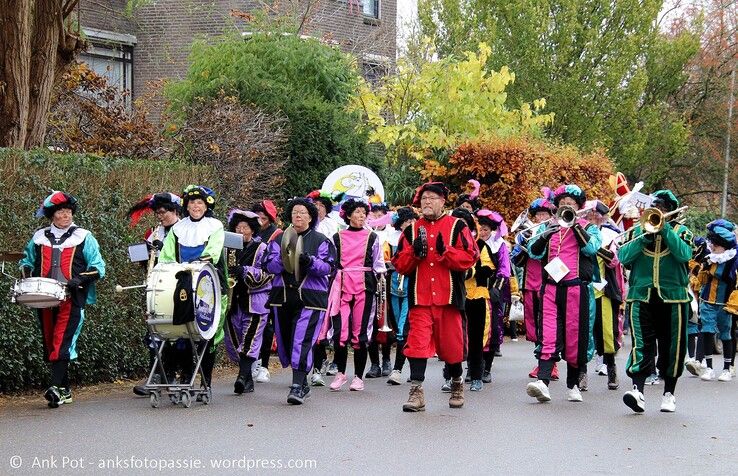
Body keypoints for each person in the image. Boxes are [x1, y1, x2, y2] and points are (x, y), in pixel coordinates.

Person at [392, 182, 478, 412]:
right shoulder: (410, 231)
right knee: (417, 345)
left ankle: (457, 382)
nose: (427, 202)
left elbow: (470, 257)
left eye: (432, 198)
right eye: (424, 199)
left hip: (449, 299)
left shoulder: (457, 226)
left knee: (452, 347)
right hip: (420, 299)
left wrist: (446, 252)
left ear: (443, 202)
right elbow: (399, 264)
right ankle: (416, 391)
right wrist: (414, 254)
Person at [20, 191, 106, 408]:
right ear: (52, 215)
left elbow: (98, 267)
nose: (66, 216)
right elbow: (26, 261)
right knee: (50, 342)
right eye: (61, 212)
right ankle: (65, 390)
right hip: (43, 298)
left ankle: (54, 386)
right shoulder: (39, 237)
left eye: (68, 212)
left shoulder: (84, 237)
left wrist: (78, 279)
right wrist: (27, 271)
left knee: (62, 342)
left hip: (71, 298)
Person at [618, 190, 692, 413]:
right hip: (641, 297)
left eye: (663, 208)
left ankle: (669, 393)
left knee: (673, 347)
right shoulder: (639, 231)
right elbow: (623, 257)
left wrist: (665, 229)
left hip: (674, 299)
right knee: (642, 345)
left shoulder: (682, 231)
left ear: (671, 211)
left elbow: (684, 255)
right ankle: (637, 391)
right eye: (655, 207)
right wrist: (644, 238)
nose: (659, 211)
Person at [526, 184, 601, 403]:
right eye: (562, 204)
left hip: (577, 289)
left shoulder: (589, 227)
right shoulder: (547, 227)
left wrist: (575, 226)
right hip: (550, 287)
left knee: (575, 337)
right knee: (548, 333)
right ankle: (543, 382)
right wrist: (545, 234)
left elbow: (591, 249)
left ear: (579, 207)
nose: (566, 207)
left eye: (571, 204)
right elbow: (533, 252)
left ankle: (573, 385)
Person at [263, 198, 335, 404]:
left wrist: (309, 261)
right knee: (286, 341)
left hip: (310, 299)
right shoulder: (279, 240)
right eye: (295, 212)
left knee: (301, 340)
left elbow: (328, 268)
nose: (298, 216)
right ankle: (302, 381)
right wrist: (286, 258)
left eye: (303, 212)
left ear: (311, 217)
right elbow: (268, 265)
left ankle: (297, 386)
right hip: (283, 297)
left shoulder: (321, 240)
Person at [158, 185, 227, 396]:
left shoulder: (215, 226)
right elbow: (167, 255)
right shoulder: (178, 229)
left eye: (200, 203)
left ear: (206, 206)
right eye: (192, 203)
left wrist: (196, 265)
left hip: (210, 284)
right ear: (186, 206)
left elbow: (212, 253)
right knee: (182, 330)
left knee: (207, 334)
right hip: (184, 284)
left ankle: (206, 382)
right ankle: (185, 377)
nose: (196, 206)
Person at [319, 198, 386, 391]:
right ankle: (340, 373)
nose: (361, 216)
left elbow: (378, 265)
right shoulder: (336, 237)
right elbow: (331, 262)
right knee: (340, 333)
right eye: (357, 212)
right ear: (348, 215)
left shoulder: (373, 237)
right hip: (341, 286)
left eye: (364, 213)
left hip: (365, 287)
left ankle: (358, 377)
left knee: (361, 334)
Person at [126, 192, 182, 396]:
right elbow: (148, 260)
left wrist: (164, 249)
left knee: (174, 331)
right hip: (155, 286)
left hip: (176, 286)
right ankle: (155, 374)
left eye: (163, 212)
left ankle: (171, 373)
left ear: (174, 211)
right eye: (157, 213)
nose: (160, 216)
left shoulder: (183, 230)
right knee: (153, 329)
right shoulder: (155, 232)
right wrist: (142, 253)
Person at [511, 194, 560, 381]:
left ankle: (551, 364)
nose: (540, 218)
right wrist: (523, 244)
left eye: (544, 214)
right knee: (534, 326)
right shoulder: (529, 232)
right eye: (538, 215)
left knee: (548, 325)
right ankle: (541, 361)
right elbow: (516, 260)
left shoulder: (555, 230)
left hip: (548, 283)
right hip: (530, 285)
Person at [224, 209, 273, 395]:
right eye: (238, 227)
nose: (241, 230)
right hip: (233, 302)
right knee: (233, 339)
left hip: (255, 301)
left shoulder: (262, 249)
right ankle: (248, 377)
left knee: (250, 340)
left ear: (252, 230)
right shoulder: (227, 249)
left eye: (245, 227)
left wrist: (244, 271)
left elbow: (268, 274)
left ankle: (242, 377)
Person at [686, 219, 737, 382]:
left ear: (724, 245)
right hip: (707, 300)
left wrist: (734, 304)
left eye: (716, 244)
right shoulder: (709, 258)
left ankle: (727, 368)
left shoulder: (733, 260)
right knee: (707, 332)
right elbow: (700, 279)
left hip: (725, 303)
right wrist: (700, 269)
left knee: (726, 335)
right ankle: (708, 368)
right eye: (712, 243)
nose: (713, 246)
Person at [587, 200, 625, 390]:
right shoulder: (578, 230)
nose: (593, 217)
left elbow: (614, 262)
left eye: (596, 214)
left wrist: (596, 248)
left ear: (603, 217)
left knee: (607, 333)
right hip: (583, 289)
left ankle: (611, 368)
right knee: (583, 333)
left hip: (604, 290)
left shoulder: (611, 234)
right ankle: (580, 373)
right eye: (590, 213)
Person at [385, 207, 418, 385]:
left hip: (411, 287)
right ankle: (410, 369)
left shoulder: (417, 238)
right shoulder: (390, 238)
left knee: (404, 328)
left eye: (413, 220)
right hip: (393, 286)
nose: (410, 224)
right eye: (407, 221)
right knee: (399, 326)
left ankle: (398, 369)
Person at [477, 209, 511, 382]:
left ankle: (486, 368)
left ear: (491, 230)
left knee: (491, 329)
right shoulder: (472, 243)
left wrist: (495, 290)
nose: (482, 232)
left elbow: (505, 270)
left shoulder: (500, 245)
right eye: (480, 229)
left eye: (485, 229)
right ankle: (473, 367)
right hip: (473, 291)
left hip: (492, 292)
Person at [251, 199, 281, 383]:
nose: (261, 220)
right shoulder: (248, 231)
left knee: (267, 326)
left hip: (271, 284)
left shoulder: (277, 235)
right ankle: (252, 362)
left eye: (264, 217)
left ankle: (264, 365)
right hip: (250, 284)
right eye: (258, 217)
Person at [366, 202, 393, 378]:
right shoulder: (367, 235)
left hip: (388, 283)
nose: (376, 219)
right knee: (369, 322)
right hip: (370, 282)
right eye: (373, 215)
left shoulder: (393, 236)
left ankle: (386, 359)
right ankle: (374, 362)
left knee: (387, 321)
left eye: (379, 215)